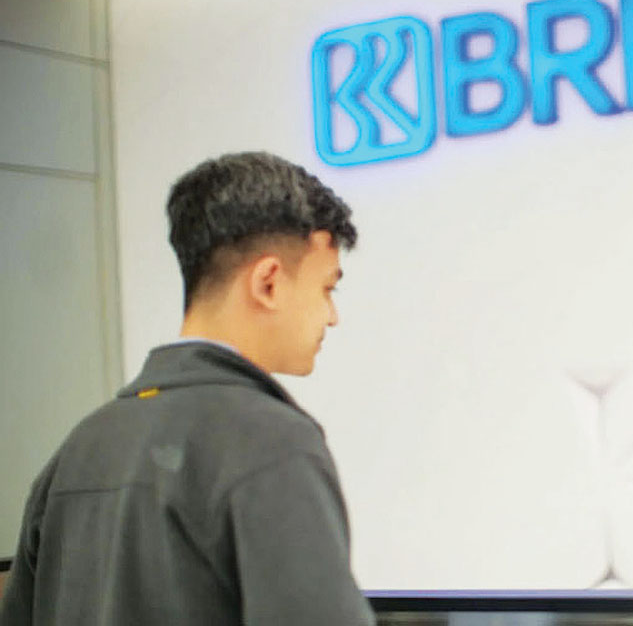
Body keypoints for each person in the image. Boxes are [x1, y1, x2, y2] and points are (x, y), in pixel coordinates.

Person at [0, 152, 375, 625]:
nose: (332, 316)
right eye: (327, 289)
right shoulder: (273, 443)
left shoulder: (77, 449)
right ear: (268, 282)